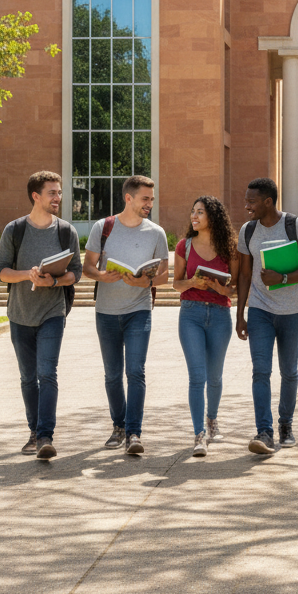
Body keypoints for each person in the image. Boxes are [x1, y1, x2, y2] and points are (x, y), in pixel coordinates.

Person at [0, 171, 82, 460]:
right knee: (27, 377)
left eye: (59, 192)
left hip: (52, 312)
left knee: (47, 373)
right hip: (20, 313)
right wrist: (28, 274)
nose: (58, 197)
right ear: (36, 196)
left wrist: (54, 281)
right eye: (52, 193)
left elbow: (76, 273)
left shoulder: (65, 231)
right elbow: (1, 271)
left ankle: (45, 436)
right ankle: (33, 431)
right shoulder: (15, 230)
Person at [82, 175, 169, 456]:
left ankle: (133, 432)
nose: (150, 204)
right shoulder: (103, 227)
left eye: (152, 199)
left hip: (139, 310)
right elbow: (87, 268)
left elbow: (165, 275)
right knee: (111, 375)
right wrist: (102, 277)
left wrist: (146, 282)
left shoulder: (156, 233)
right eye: (145, 198)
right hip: (106, 311)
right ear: (128, 198)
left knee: (136, 371)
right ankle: (118, 426)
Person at [235, 177, 298, 454]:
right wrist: (240, 314)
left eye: (251, 201)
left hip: (291, 310)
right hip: (259, 309)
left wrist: (283, 276)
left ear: (268, 202)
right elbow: (245, 274)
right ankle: (264, 431)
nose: (246, 206)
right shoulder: (248, 231)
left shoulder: (295, 226)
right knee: (261, 371)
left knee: (289, 371)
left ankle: (286, 424)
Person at [171, 195, 239, 457]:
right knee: (197, 376)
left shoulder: (229, 248)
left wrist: (222, 288)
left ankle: (212, 420)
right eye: (192, 211)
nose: (194, 216)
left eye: (200, 212)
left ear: (214, 217)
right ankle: (199, 434)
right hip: (191, 314)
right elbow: (176, 283)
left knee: (215, 376)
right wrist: (192, 283)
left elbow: (234, 288)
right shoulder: (183, 246)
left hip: (220, 314)